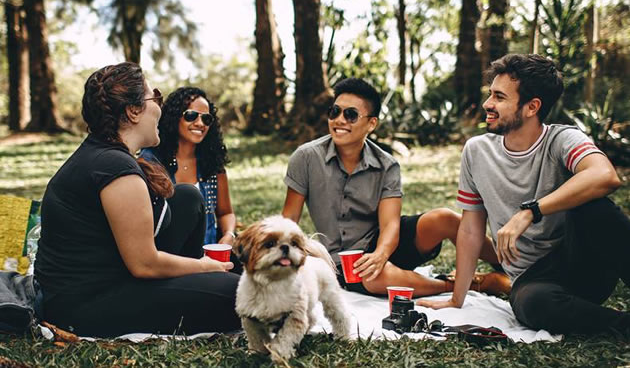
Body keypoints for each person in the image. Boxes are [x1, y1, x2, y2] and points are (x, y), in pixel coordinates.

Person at [418, 53, 630, 335]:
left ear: (532, 107)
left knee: (596, 208)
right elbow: (470, 229)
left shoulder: (562, 139)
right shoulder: (477, 151)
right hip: (533, 281)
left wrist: (530, 211)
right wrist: (458, 298)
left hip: (581, 263)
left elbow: (605, 176)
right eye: (490, 94)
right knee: (531, 304)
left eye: (499, 97)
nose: (487, 104)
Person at [34, 63, 241, 337]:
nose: (160, 107)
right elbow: (144, 264)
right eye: (155, 97)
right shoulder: (113, 167)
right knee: (240, 295)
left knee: (187, 197)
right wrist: (204, 266)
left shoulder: (107, 155)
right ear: (133, 111)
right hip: (85, 304)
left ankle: (199, 281)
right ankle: (204, 282)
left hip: (114, 275)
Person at [282, 77, 510, 297]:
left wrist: (380, 254)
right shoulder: (306, 158)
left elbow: (390, 224)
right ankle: (471, 284)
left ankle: (510, 267)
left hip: (385, 242)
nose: (339, 120)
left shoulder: (386, 165)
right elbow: (288, 219)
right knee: (374, 277)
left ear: (371, 123)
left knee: (445, 218)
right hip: (343, 261)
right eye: (334, 112)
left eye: (350, 115)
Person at [140, 87, 236, 247]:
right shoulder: (151, 161)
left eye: (206, 119)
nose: (200, 123)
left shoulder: (212, 162)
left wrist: (229, 235)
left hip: (210, 255)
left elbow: (226, 213)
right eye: (191, 116)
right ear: (174, 117)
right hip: (168, 257)